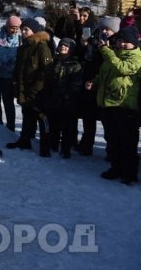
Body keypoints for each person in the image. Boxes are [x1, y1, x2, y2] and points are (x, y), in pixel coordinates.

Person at [92, 26, 141, 185]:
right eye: (120, 40)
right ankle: (115, 168)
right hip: (109, 104)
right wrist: (94, 82)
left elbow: (123, 68)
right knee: (112, 140)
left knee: (127, 142)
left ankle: (129, 172)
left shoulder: (136, 57)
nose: (122, 44)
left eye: (126, 42)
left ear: (134, 43)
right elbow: (105, 73)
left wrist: (106, 51)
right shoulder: (114, 55)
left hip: (125, 105)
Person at [6, 18, 53, 156]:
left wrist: (35, 90)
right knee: (27, 116)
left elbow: (45, 72)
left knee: (42, 118)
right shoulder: (23, 48)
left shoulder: (42, 47)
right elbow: (19, 68)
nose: (23, 32)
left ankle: (45, 147)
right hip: (24, 89)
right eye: (22, 30)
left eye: (26, 29)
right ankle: (24, 140)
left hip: (39, 92)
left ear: (35, 31)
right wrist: (16, 83)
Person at [78, 16, 120, 156]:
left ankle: (112, 150)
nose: (104, 32)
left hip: (106, 84)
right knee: (88, 116)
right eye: (102, 28)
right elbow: (86, 59)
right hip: (91, 80)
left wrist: (105, 49)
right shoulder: (94, 40)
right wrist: (84, 46)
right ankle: (86, 144)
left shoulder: (118, 43)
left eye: (108, 29)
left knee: (108, 120)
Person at [45, 37, 83, 158]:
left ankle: (66, 148)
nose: (63, 47)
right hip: (53, 99)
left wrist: (67, 97)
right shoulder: (54, 62)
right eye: (61, 45)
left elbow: (76, 84)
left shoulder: (75, 65)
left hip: (67, 101)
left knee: (67, 127)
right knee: (53, 124)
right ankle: (53, 144)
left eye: (66, 46)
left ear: (70, 49)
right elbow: (49, 80)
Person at [0, 16, 22, 130]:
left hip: (9, 76)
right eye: (12, 28)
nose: (15, 30)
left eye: (17, 28)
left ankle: (10, 127)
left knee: (8, 102)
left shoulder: (20, 40)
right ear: (7, 26)